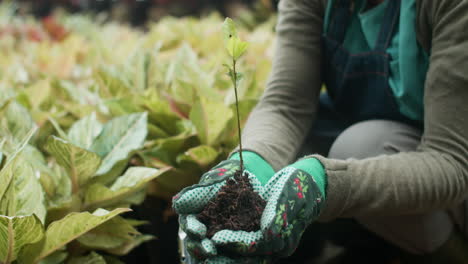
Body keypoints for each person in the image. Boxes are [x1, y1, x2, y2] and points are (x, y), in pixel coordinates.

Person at [173, 0, 468, 263]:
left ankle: (448, 252)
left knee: (359, 145)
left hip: (446, 176)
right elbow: (286, 104)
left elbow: (451, 162)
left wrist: (325, 183)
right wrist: (249, 166)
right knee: (288, 149)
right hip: (371, 135)